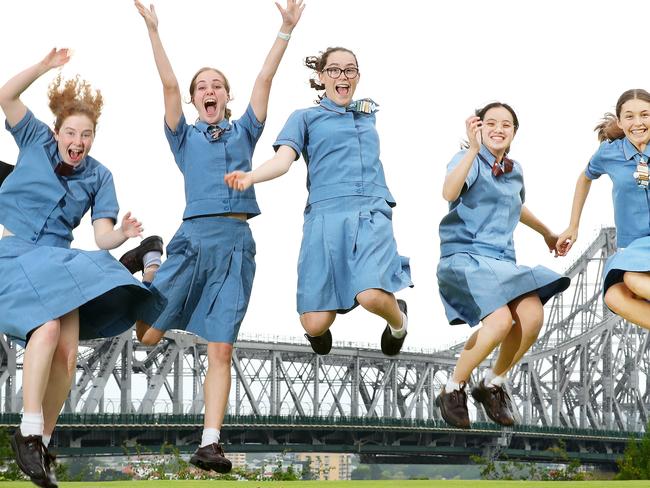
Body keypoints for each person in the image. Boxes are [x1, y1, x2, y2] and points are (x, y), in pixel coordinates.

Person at [132, 0, 304, 473]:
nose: (209, 91)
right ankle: (150, 260)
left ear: (226, 97)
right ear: (194, 101)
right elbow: (168, 83)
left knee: (221, 346)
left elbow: (265, 82)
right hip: (189, 243)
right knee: (146, 336)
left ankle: (210, 443)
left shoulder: (245, 132)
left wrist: (285, 31)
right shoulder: (183, 137)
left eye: (217, 86)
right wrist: (153, 30)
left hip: (235, 246)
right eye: (201, 88)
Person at [0, 49, 164, 488]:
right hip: (11, 253)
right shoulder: (33, 138)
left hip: (58, 262)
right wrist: (42, 68)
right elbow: (6, 95)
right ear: (56, 132)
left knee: (68, 354)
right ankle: (27, 431)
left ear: (93, 138)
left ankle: (41, 445)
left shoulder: (99, 176)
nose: (78, 140)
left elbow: (101, 237)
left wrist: (124, 234)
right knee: (48, 332)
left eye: (86, 134)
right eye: (70, 132)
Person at [224, 47, 412, 357]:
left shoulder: (366, 114)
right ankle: (319, 330)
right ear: (321, 77)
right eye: (334, 70)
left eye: (350, 70)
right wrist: (251, 177)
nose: (343, 76)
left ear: (358, 76)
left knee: (372, 296)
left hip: (370, 210)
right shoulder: (305, 118)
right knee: (314, 323)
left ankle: (399, 321)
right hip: (324, 218)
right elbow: (283, 161)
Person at [436, 102, 570, 429]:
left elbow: (516, 206)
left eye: (506, 124)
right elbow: (448, 191)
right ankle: (453, 389)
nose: (498, 128)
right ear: (478, 128)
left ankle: (492, 383)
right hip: (465, 258)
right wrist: (473, 150)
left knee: (533, 315)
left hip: (502, 263)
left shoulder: (515, 170)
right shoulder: (466, 160)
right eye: (490, 123)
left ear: (514, 133)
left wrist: (548, 234)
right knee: (499, 323)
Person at [557, 89, 650, 329]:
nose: (638, 123)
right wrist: (573, 226)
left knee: (632, 278)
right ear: (619, 121)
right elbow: (585, 178)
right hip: (635, 246)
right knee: (615, 295)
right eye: (629, 116)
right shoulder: (609, 153)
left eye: (645, 115)